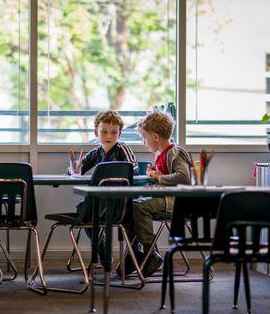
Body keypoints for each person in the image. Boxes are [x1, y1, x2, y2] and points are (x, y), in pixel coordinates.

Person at [118, 110, 191, 278]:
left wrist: (160, 176)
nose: (144, 142)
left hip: (174, 200)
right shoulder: (160, 155)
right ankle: (135, 252)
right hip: (163, 198)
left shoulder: (174, 153)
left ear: (156, 137)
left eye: (145, 138)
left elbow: (184, 176)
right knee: (130, 206)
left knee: (140, 208)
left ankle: (150, 255)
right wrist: (154, 174)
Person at [67, 110, 139, 264]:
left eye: (114, 132)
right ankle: (102, 247)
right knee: (82, 209)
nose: (109, 136)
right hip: (99, 202)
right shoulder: (95, 153)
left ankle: (104, 251)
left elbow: (133, 168)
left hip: (119, 203)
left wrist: (114, 172)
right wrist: (74, 170)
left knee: (87, 210)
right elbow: (75, 170)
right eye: (104, 131)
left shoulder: (122, 149)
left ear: (119, 134)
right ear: (96, 132)